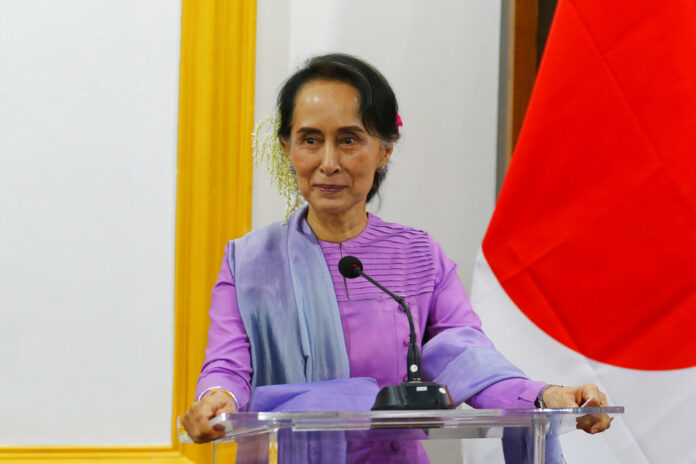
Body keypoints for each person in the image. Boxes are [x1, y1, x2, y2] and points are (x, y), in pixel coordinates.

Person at [181, 53, 612, 461]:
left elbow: (465, 355)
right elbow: (228, 365)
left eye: (349, 140)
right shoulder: (251, 262)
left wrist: (544, 396)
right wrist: (216, 398)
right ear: (287, 148)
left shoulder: (419, 256)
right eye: (310, 140)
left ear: (385, 150)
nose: (328, 162)